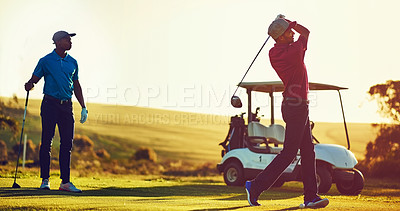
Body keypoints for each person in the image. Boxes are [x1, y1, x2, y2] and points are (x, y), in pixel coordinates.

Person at [245, 16, 329, 208]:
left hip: (298, 105)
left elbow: (302, 35)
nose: (293, 32)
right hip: (296, 106)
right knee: (290, 153)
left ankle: (310, 197)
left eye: (291, 30)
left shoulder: (278, 51)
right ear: (280, 37)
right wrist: (288, 20)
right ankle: (255, 186)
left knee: (308, 152)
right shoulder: (290, 52)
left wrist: (285, 23)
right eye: (288, 31)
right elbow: (306, 32)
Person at [24, 31, 88, 193]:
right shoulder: (45, 61)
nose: (70, 42)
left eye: (70, 40)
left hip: (67, 106)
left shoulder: (73, 62)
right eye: (67, 40)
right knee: (47, 142)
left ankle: (65, 182)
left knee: (67, 143)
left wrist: (83, 106)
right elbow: (34, 79)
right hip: (50, 105)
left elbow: (77, 85)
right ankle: (45, 180)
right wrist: (29, 84)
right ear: (58, 42)